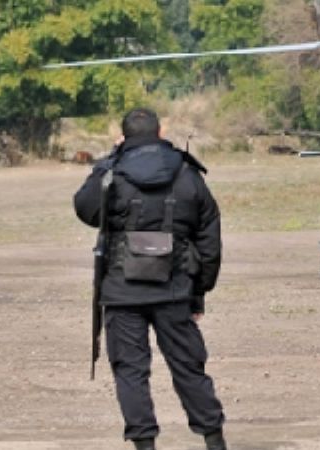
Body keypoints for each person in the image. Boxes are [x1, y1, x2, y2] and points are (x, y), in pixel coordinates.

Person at [74, 108, 227, 450]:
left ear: (123, 136)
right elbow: (209, 237)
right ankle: (214, 441)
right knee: (189, 368)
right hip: (175, 289)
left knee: (130, 371)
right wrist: (198, 290)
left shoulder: (112, 171)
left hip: (122, 292)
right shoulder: (188, 173)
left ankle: (144, 444)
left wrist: (108, 159)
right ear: (160, 133)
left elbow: (85, 208)